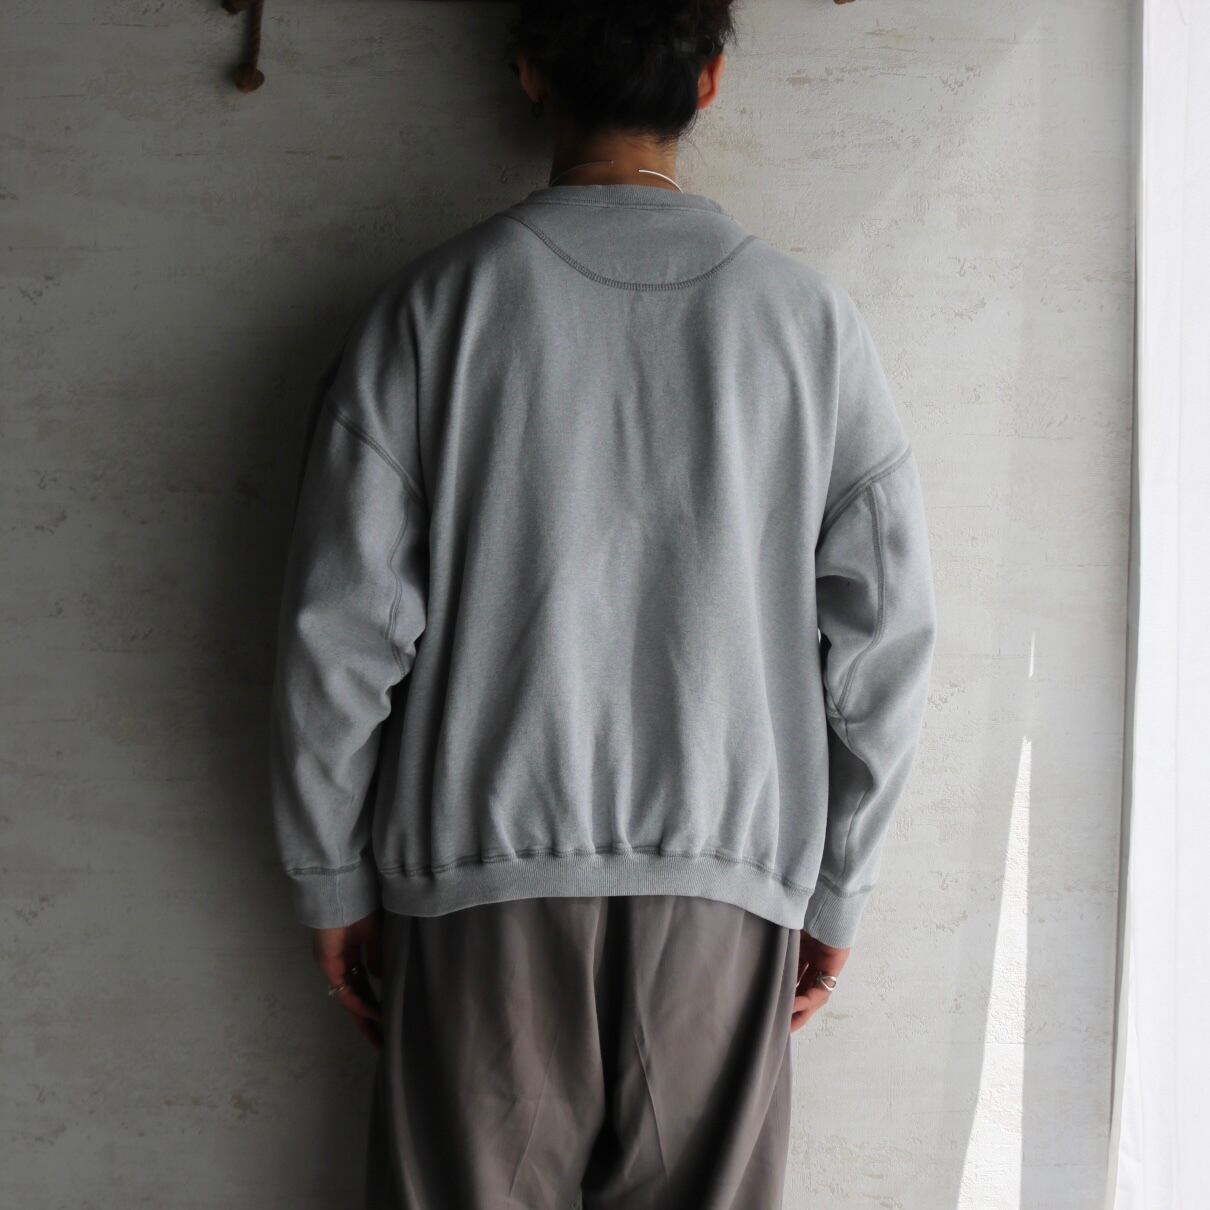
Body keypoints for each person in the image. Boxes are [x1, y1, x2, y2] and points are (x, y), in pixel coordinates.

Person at [266, 1, 938, 1205]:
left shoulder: (432, 311)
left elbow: (339, 634)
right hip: (727, 888)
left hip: (478, 883)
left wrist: (330, 874)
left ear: (529, 72)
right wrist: (840, 881)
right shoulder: (810, 326)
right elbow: (884, 643)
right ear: (711, 82)